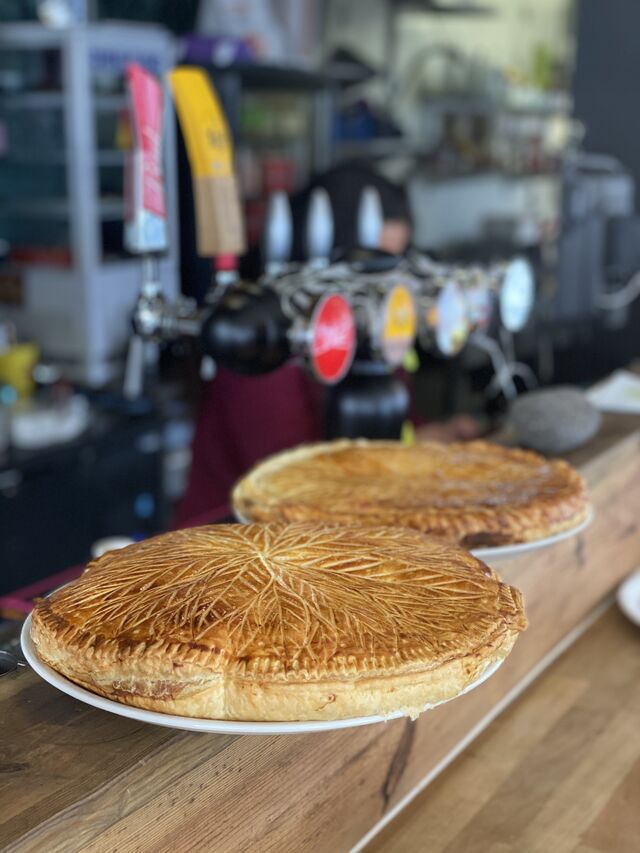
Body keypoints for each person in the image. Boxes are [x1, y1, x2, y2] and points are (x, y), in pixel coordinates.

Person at [174, 163, 479, 527]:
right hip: (231, 549)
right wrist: (412, 452)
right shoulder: (266, 341)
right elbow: (293, 486)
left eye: (391, 269)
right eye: (367, 271)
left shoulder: (372, 326)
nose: (382, 291)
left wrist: (435, 436)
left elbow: (395, 415)